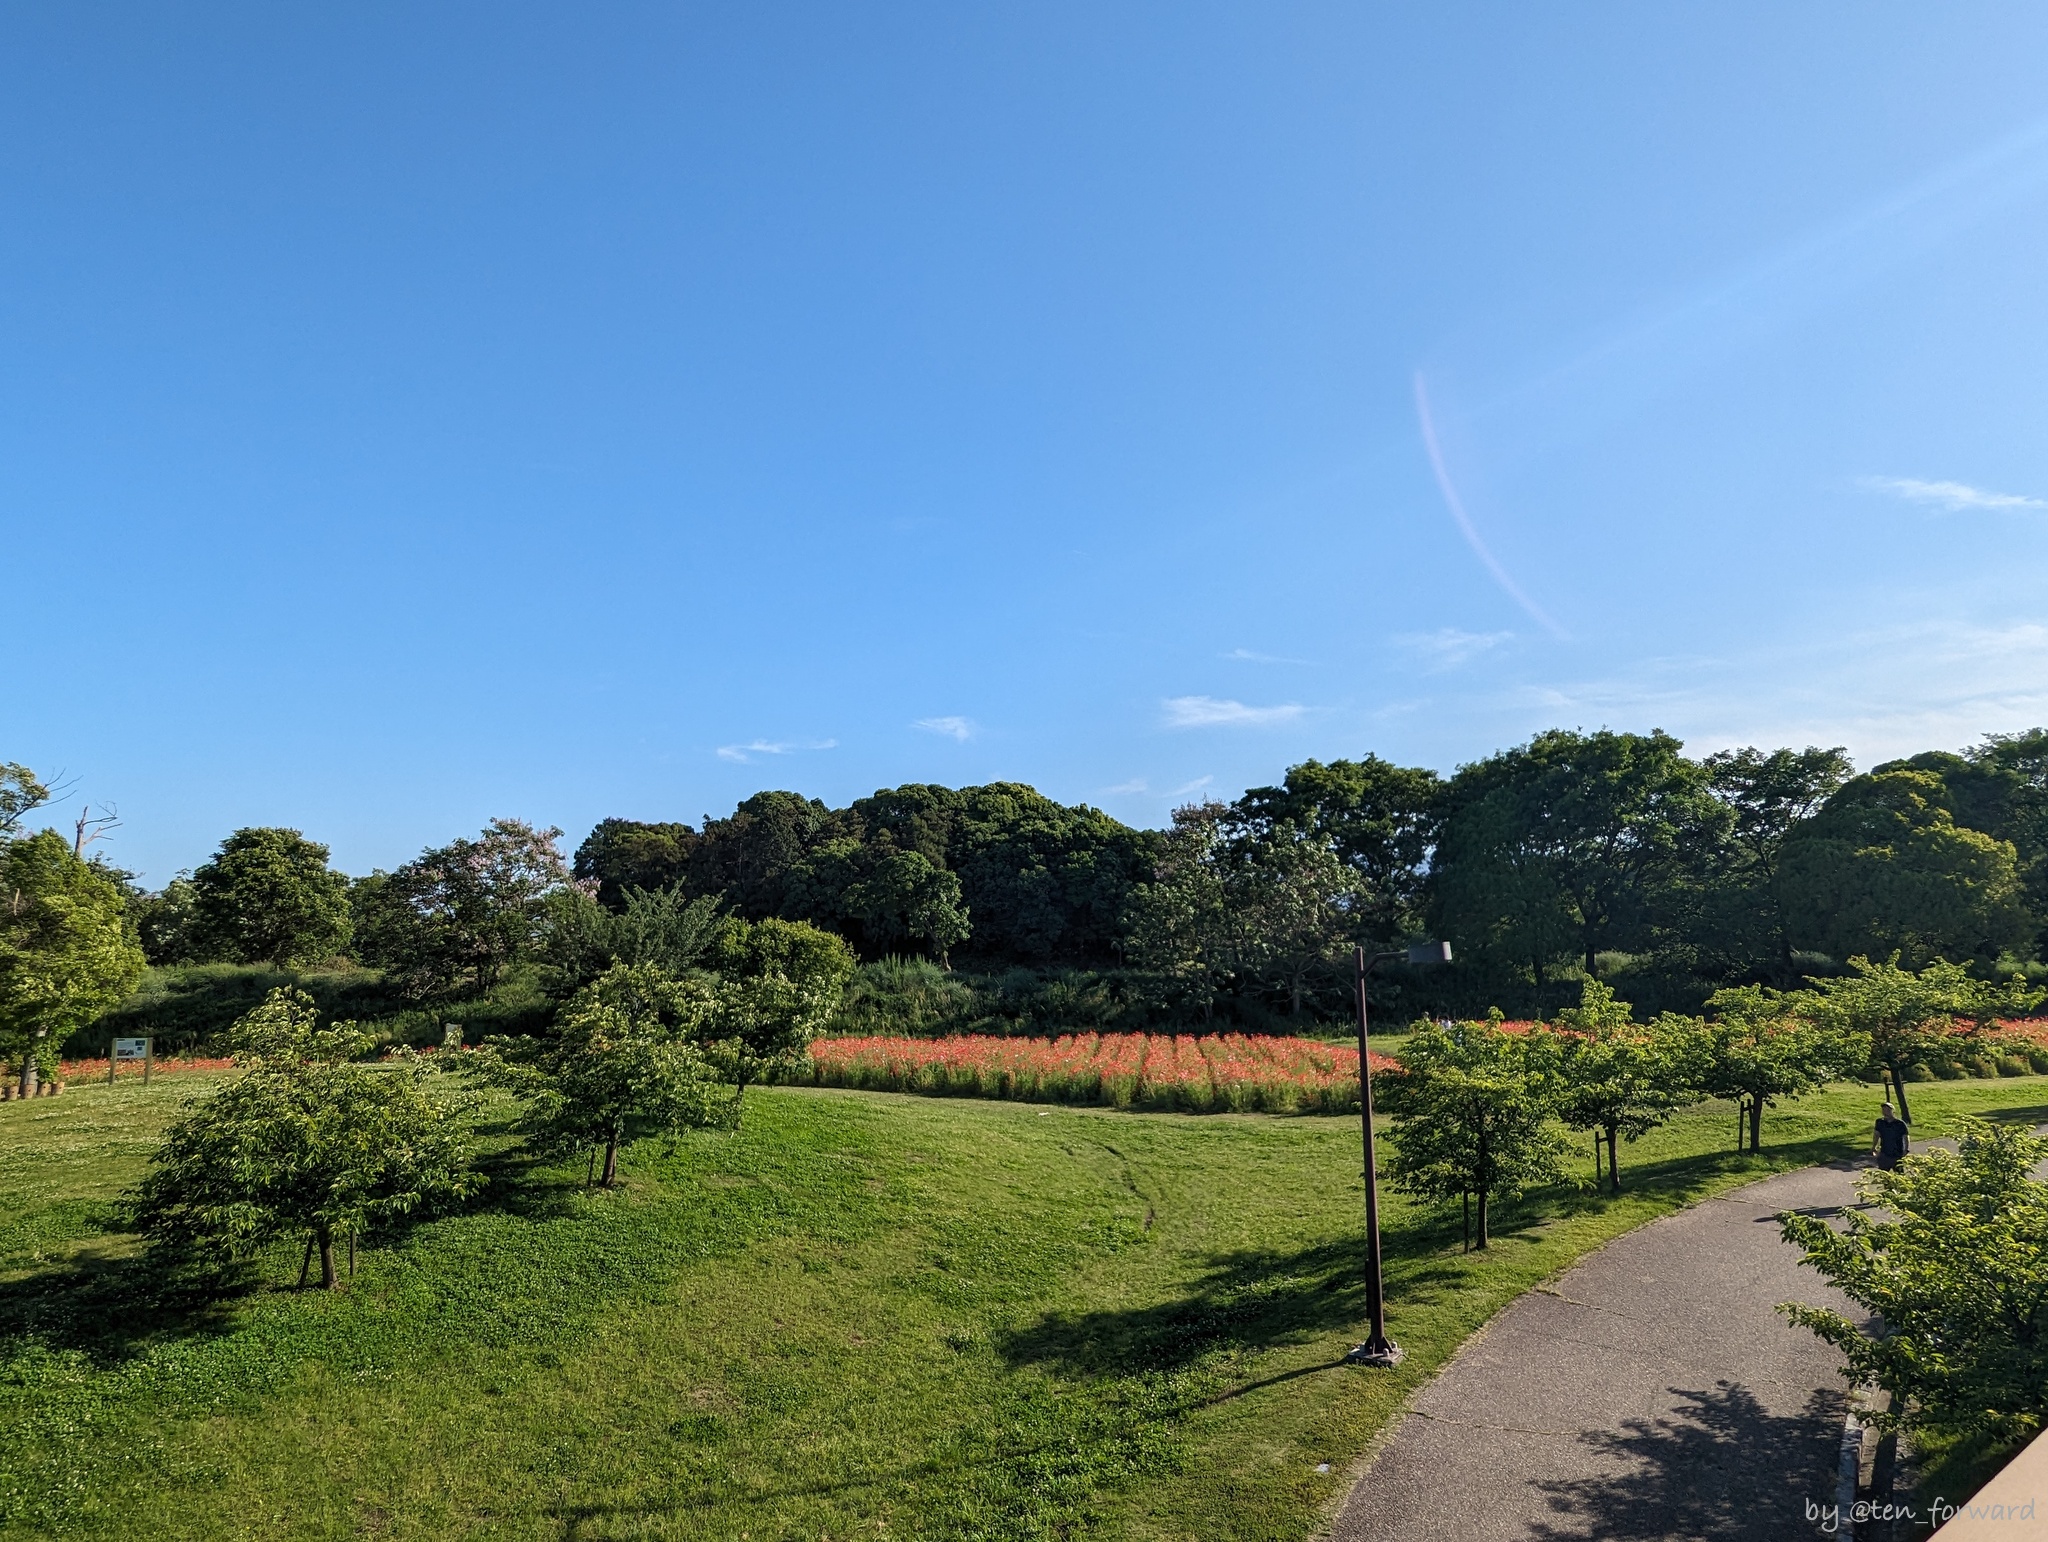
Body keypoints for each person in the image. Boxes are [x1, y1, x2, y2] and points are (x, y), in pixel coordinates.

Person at [1871, 1101, 1910, 1171]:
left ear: (1893, 1111)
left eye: (1888, 1110)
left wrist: (1905, 1149)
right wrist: (1874, 1147)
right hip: (1884, 1153)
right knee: (1883, 1175)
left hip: (1897, 1153)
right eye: (1883, 1110)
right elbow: (1876, 1135)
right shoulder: (1880, 1122)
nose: (1885, 1112)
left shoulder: (1900, 1124)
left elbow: (1905, 1137)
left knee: (1899, 1175)